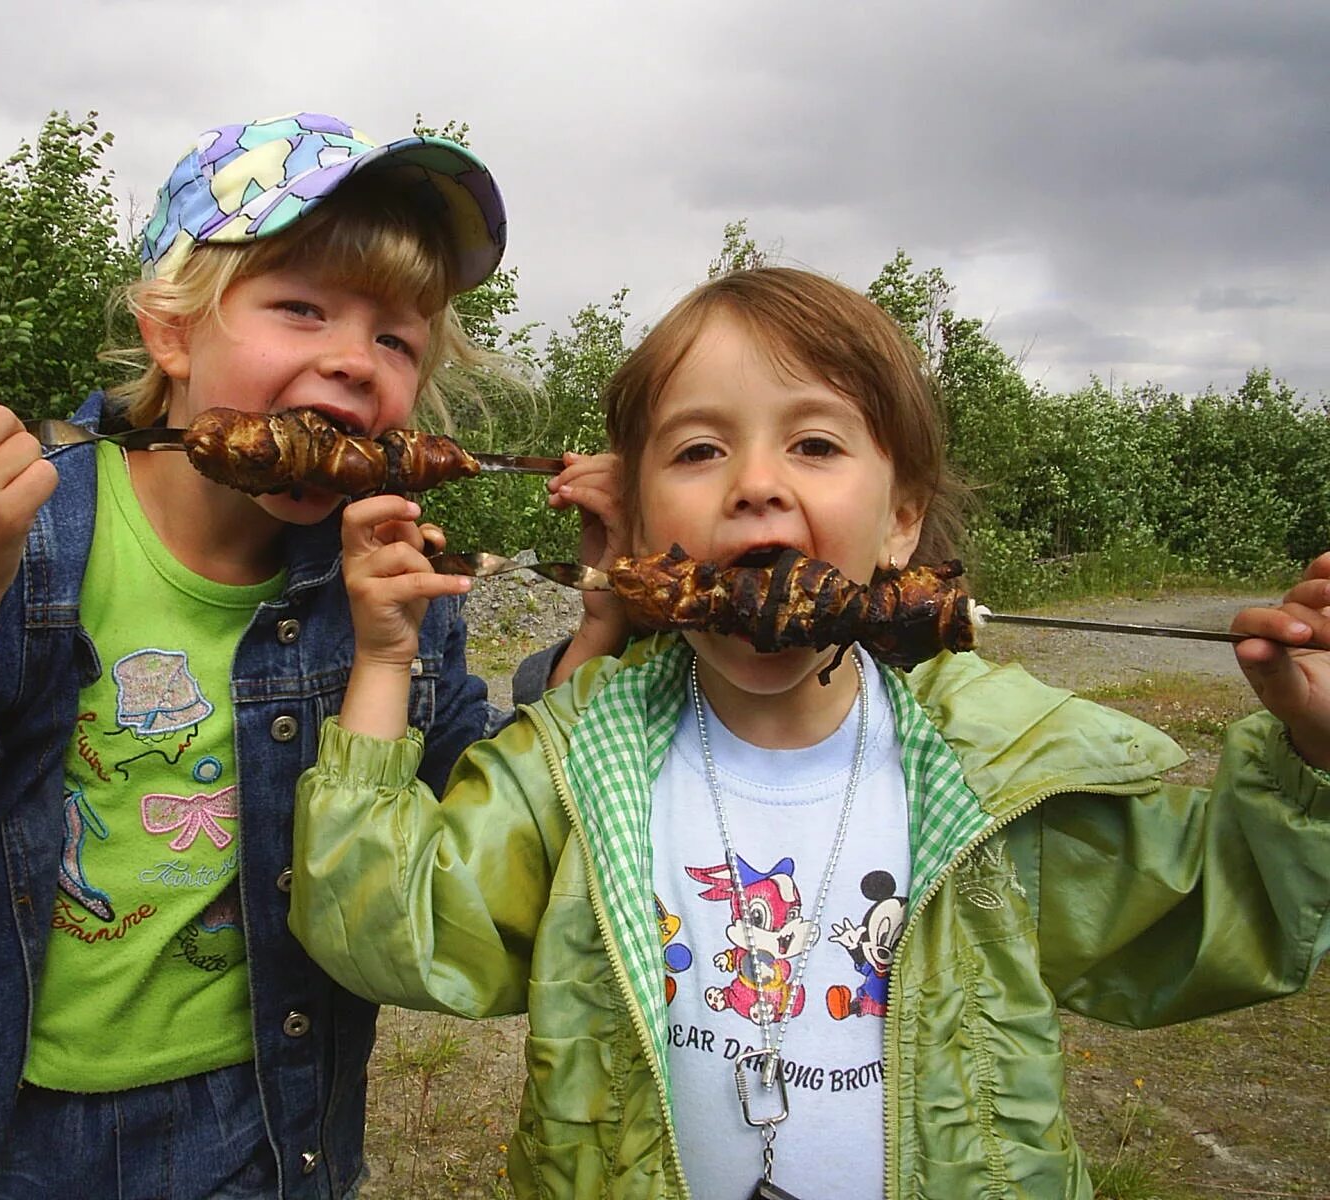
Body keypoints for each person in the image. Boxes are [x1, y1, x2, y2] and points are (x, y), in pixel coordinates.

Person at [288, 266, 1330, 1199]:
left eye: (816, 444)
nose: (755, 482)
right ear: (644, 535)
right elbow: (385, 928)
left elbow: (1225, 919)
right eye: (697, 449)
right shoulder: (576, 762)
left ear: (901, 521)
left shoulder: (994, 769)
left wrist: (1315, 754)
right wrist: (384, 663)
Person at [0, 112, 622, 1199]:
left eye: (396, 339)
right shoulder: (24, 536)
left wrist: (608, 609)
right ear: (171, 333)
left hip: (277, 1115)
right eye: (301, 307)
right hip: (32, 1135)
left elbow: (471, 811)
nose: (350, 360)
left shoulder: (390, 564)